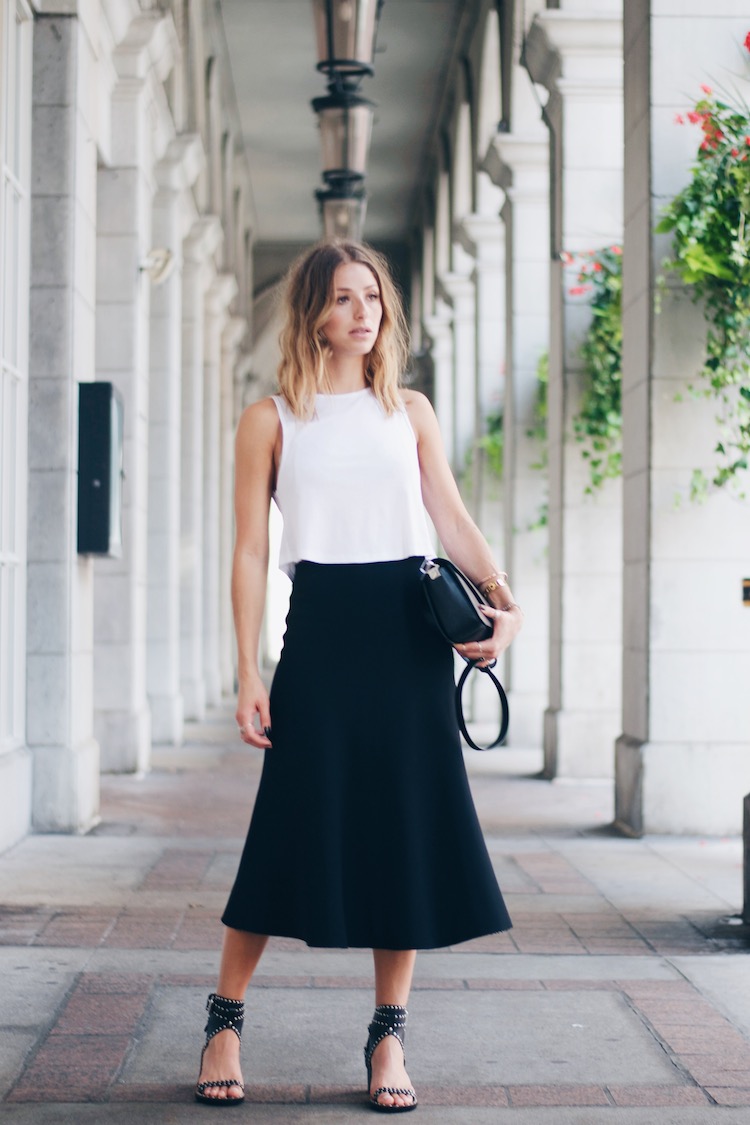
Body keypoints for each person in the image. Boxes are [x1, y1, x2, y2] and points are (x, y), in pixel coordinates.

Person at [194, 240, 523, 1113]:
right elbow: (252, 549)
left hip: (409, 635)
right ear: (313, 313)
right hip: (322, 637)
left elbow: (447, 514)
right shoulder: (269, 418)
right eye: (343, 299)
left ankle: (389, 1037)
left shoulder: (407, 410)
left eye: (372, 297)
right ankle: (224, 1018)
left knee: (404, 831)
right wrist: (247, 668)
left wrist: (499, 597)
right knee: (286, 822)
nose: (363, 312)